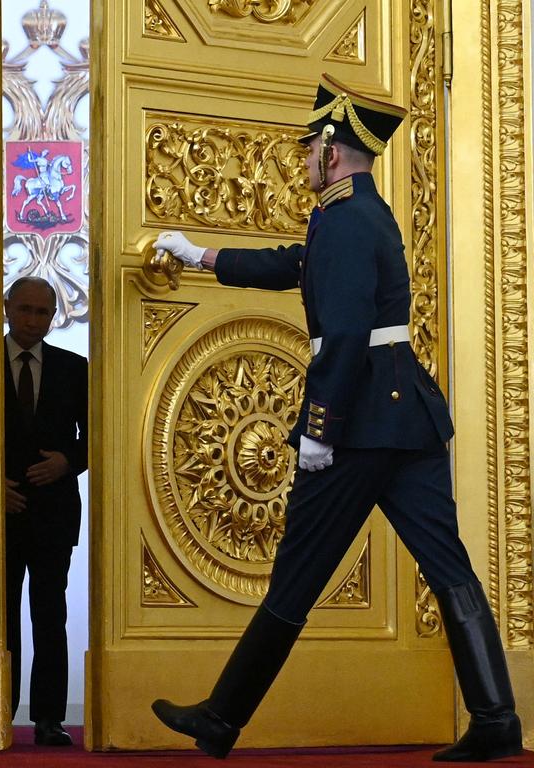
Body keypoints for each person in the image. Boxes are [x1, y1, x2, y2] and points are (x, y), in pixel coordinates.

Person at [149, 73, 523, 763]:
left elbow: (346, 334)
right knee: (449, 566)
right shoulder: (353, 213)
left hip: (356, 425)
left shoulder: (347, 218)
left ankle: (221, 719)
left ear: (331, 147)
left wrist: (318, 428)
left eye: (308, 148)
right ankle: (497, 718)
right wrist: (203, 256)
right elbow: (299, 264)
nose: (303, 159)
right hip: (404, 417)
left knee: (297, 572)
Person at [3, 276, 88, 746]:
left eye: (43, 312)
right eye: (26, 310)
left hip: (54, 515)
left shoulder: (75, 368)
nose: (34, 320)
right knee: (3, 618)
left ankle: (49, 719)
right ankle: (0, 710)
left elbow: (96, 434)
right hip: (0, 515)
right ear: (7, 308)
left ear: (54, 315)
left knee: (50, 616)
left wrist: (68, 462)